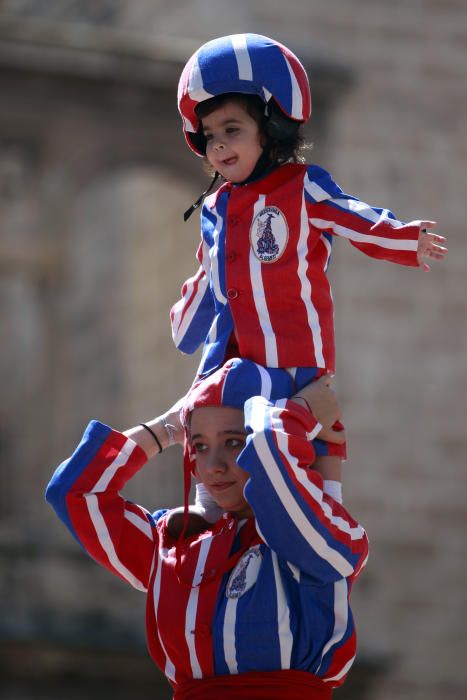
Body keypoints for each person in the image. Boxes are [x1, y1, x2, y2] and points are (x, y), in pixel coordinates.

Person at [171, 32, 447, 493]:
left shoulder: (302, 189)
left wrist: (403, 238)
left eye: (232, 130)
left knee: (311, 447)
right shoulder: (216, 207)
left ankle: (325, 506)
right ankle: (209, 508)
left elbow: (352, 216)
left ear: (272, 124)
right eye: (211, 136)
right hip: (227, 362)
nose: (218, 145)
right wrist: (185, 323)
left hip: (292, 365)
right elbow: (210, 271)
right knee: (205, 421)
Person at [46, 358, 368, 699]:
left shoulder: (325, 533)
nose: (213, 466)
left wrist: (300, 412)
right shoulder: (170, 545)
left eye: (233, 442)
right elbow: (72, 491)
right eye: (199, 446)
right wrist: (167, 428)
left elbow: (272, 464)